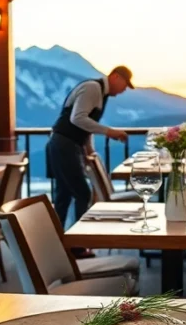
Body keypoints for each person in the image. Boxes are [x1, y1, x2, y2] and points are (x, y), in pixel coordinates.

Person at [47, 66, 132, 236]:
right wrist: (109, 131)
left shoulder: (101, 92)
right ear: (115, 77)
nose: (124, 90)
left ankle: (57, 241)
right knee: (82, 193)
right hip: (65, 144)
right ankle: (78, 242)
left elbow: (85, 122)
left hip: (66, 144)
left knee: (63, 196)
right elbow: (77, 118)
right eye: (125, 84)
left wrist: (88, 149)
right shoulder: (93, 88)